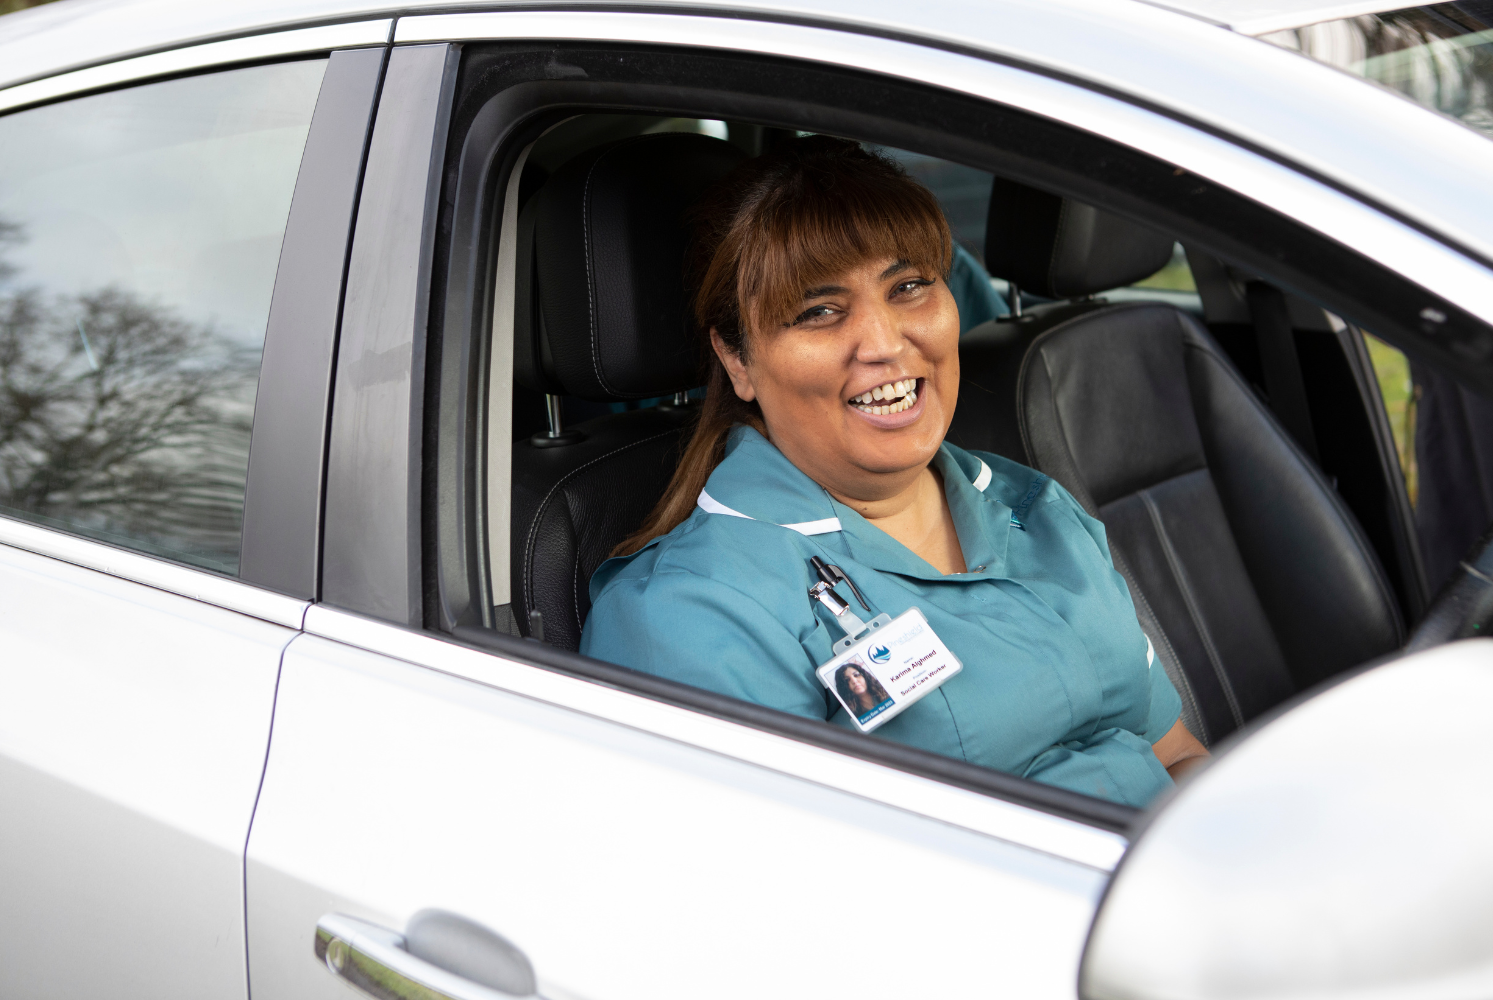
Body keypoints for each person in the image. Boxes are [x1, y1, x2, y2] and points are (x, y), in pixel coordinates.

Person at [580, 136, 1207, 807]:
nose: (883, 345)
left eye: (908, 287)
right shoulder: (687, 616)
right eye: (818, 312)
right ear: (737, 360)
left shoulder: (1032, 506)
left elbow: (1173, 754)